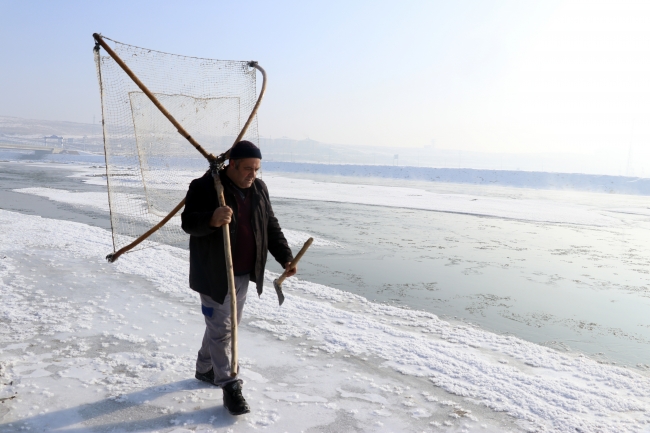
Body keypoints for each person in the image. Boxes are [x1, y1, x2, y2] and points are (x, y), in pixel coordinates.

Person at [181, 140, 296, 415]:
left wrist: (286, 257)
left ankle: (204, 367)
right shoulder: (205, 187)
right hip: (214, 274)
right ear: (231, 165)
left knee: (225, 326)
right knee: (223, 330)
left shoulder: (259, 188)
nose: (252, 175)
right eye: (247, 169)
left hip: (245, 273)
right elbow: (188, 222)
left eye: (256, 169)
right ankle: (230, 385)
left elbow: (270, 224)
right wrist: (211, 218)